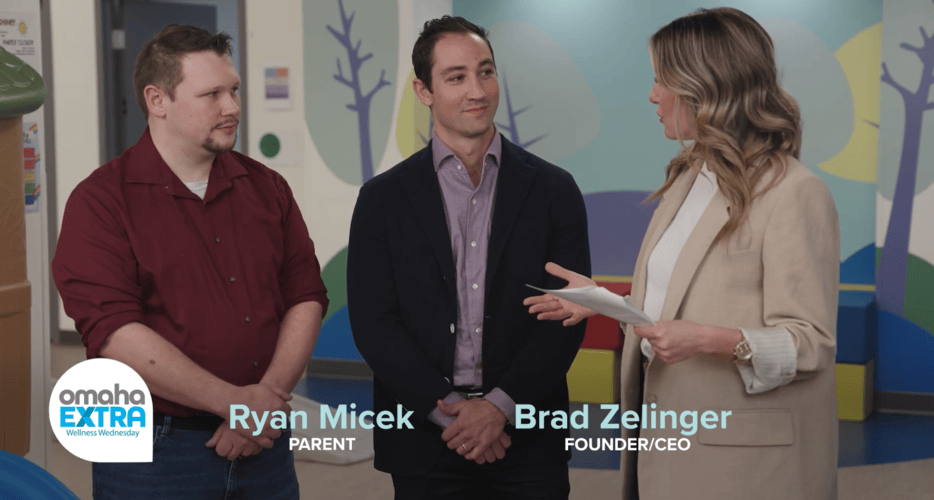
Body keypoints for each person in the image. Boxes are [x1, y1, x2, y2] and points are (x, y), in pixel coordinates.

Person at [526, 8, 839, 500]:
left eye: (661, 80)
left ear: (704, 87)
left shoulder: (794, 193)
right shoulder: (689, 177)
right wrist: (601, 301)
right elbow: (673, 308)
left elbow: (811, 344)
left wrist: (710, 340)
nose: (653, 95)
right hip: (667, 445)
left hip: (742, 468)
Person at [52, 25, 328, 499]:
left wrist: (262, 401)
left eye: (234, 90)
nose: (232, 107)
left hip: (265, 441)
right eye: (212, 94)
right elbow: (115, 333)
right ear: (157, 100)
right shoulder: (100, 202)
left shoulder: (268, 189)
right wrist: (236, 405)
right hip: (154, 451)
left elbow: (305, 296)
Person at [346, 15, 591, 499]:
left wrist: (501, 406)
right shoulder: (382, 199)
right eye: (456, 77)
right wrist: (451, 415)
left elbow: (567, 314)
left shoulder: (554, 190)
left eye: (486, 72)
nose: (477, 91)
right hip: (423, 438)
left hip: (528, 434)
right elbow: (375, 323)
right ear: (424, 91)